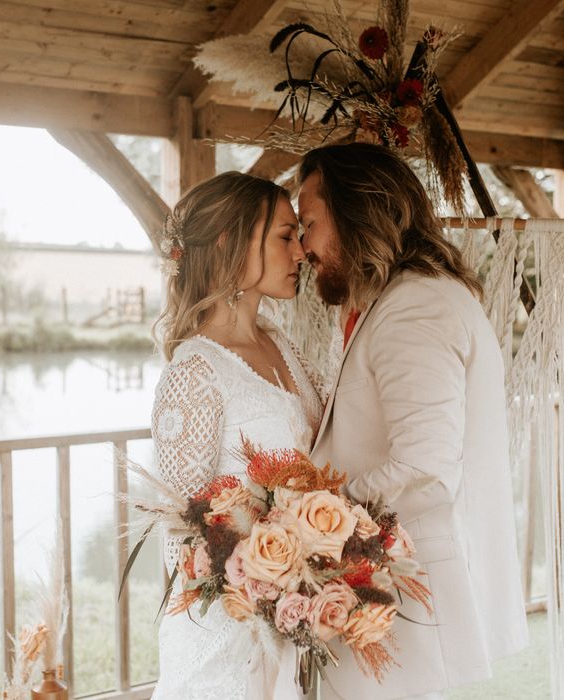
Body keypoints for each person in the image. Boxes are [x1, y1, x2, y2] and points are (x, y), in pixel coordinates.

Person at [298, 143, 529, 700]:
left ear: (356, 211)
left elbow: (423, 465)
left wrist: (313, 520)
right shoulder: (391, 300)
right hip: (386, 576)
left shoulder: (414, 307)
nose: (303, 246)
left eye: (308, 224)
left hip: (405, 583)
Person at [149, 171, 324, 700]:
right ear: (230, 242)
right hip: (225, 634)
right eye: (284, 235)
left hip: (296, 620)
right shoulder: (195, 369)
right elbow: (180, 534)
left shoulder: (282, 344)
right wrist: (262, 578)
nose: (300, 252)